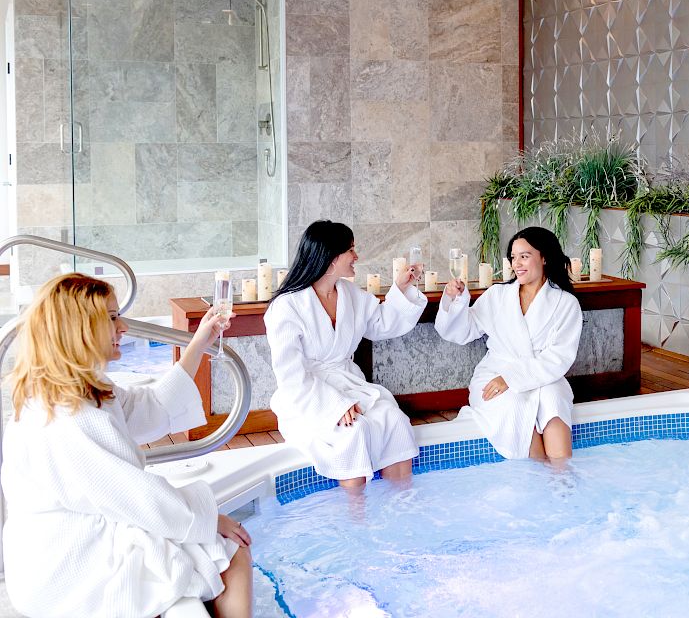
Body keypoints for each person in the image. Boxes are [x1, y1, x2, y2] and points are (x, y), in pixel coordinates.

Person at [2, 273, 252, 618]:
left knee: (200, 546)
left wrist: (199, 342)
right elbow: (136, 495)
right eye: (112, 318)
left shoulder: (71, 389)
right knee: (230, 550)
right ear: (80, 328)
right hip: (69, 567)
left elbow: (150, 407)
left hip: (62, 547)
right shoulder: (68, 414)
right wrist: (209, 520)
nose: (124, 328)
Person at [265, 220, 426, 490]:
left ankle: (401, 512)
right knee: (353, 433)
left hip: (350, 386)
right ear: (331, 257)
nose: (356, 257)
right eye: (351, 250)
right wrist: (334, 406)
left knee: (395, 420)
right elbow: (290, 375)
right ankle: (355, 519)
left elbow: (381, 323)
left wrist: (402, 287)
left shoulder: (349, 293)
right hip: (309, 397)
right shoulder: (287, 306)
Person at [435, 227, 582, 461]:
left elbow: (559, 357)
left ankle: (561, 485)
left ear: (544, 257)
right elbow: (463, 331)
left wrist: (513, 378)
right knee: (515, 408)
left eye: (524, 256)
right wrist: (456, 300)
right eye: (513, 257)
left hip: (543, 376)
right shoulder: (498, 295)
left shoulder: (565, 303)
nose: (517, 264)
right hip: (495, 375)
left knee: (554, 403)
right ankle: (535, 480)